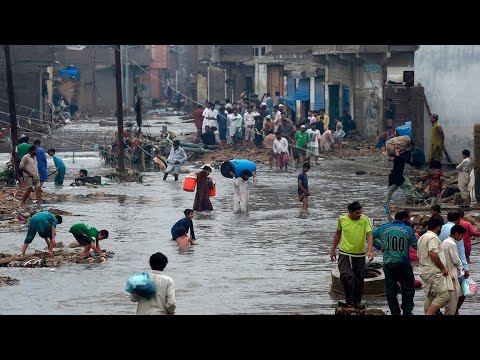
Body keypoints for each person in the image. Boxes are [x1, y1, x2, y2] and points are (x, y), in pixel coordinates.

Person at [372, 210, 417, 315]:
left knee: (391, 289)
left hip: (388, 263)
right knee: (408, 288)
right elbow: (416, 246)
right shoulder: (408, 229)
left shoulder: (383, 228)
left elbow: (369, 235)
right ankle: (407, 311)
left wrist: (379, 246)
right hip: (403, 263)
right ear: (405, 218)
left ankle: (395, 312)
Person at [330, 202, 374, 310]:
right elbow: (337, 234)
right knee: (346, 276)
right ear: (350, 212)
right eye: (357, 213)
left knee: (359, 280)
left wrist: (370, 251)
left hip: (359, 254)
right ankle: (349, 301)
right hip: (344, 253)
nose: (359, 215)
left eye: (360, 212)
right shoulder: (342, 219)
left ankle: (356, 303)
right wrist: (332, 250)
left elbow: (369, 235)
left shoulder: (364, 220)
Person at [417, 216, 451, 315]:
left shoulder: (422, 237)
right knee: (443, 295)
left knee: (430, 296)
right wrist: (443, 268)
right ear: (438, 227)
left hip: (425, 271)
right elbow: (433, 253)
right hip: (434, 271)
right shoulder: (433, 237)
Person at [384, 145, 418, 214]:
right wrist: (396, 148)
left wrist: (396, 149)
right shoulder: (399, 159)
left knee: (390, 192)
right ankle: (386, 206)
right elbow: (397, 156)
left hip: (398, 178)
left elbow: (399, 156)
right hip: (396, 178)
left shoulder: (402, 159)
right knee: (391, 192)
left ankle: (414, 199)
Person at [441, 224, 466, 315]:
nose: (462, 238)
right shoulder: (452, 244)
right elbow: (456, 260)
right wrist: (463, 267)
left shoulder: (444, 242)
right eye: (462, 235)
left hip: (446, 274)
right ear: (456, 233)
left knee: (450, 300)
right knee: (453, 301)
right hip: (452, 274)